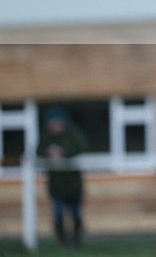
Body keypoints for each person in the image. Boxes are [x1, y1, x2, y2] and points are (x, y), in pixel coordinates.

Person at [37, 106, 89, 248]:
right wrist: (49, 153)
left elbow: (82, 147)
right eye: (52, 123)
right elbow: (38, 152)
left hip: (73, 185)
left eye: (58, 123)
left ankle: (77, 241)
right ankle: (62, 241)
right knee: (58, 215)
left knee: (76, 215)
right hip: (56, 186)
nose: (55, 126)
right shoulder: (46, 138)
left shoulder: (73, 134)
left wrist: (63, 152)